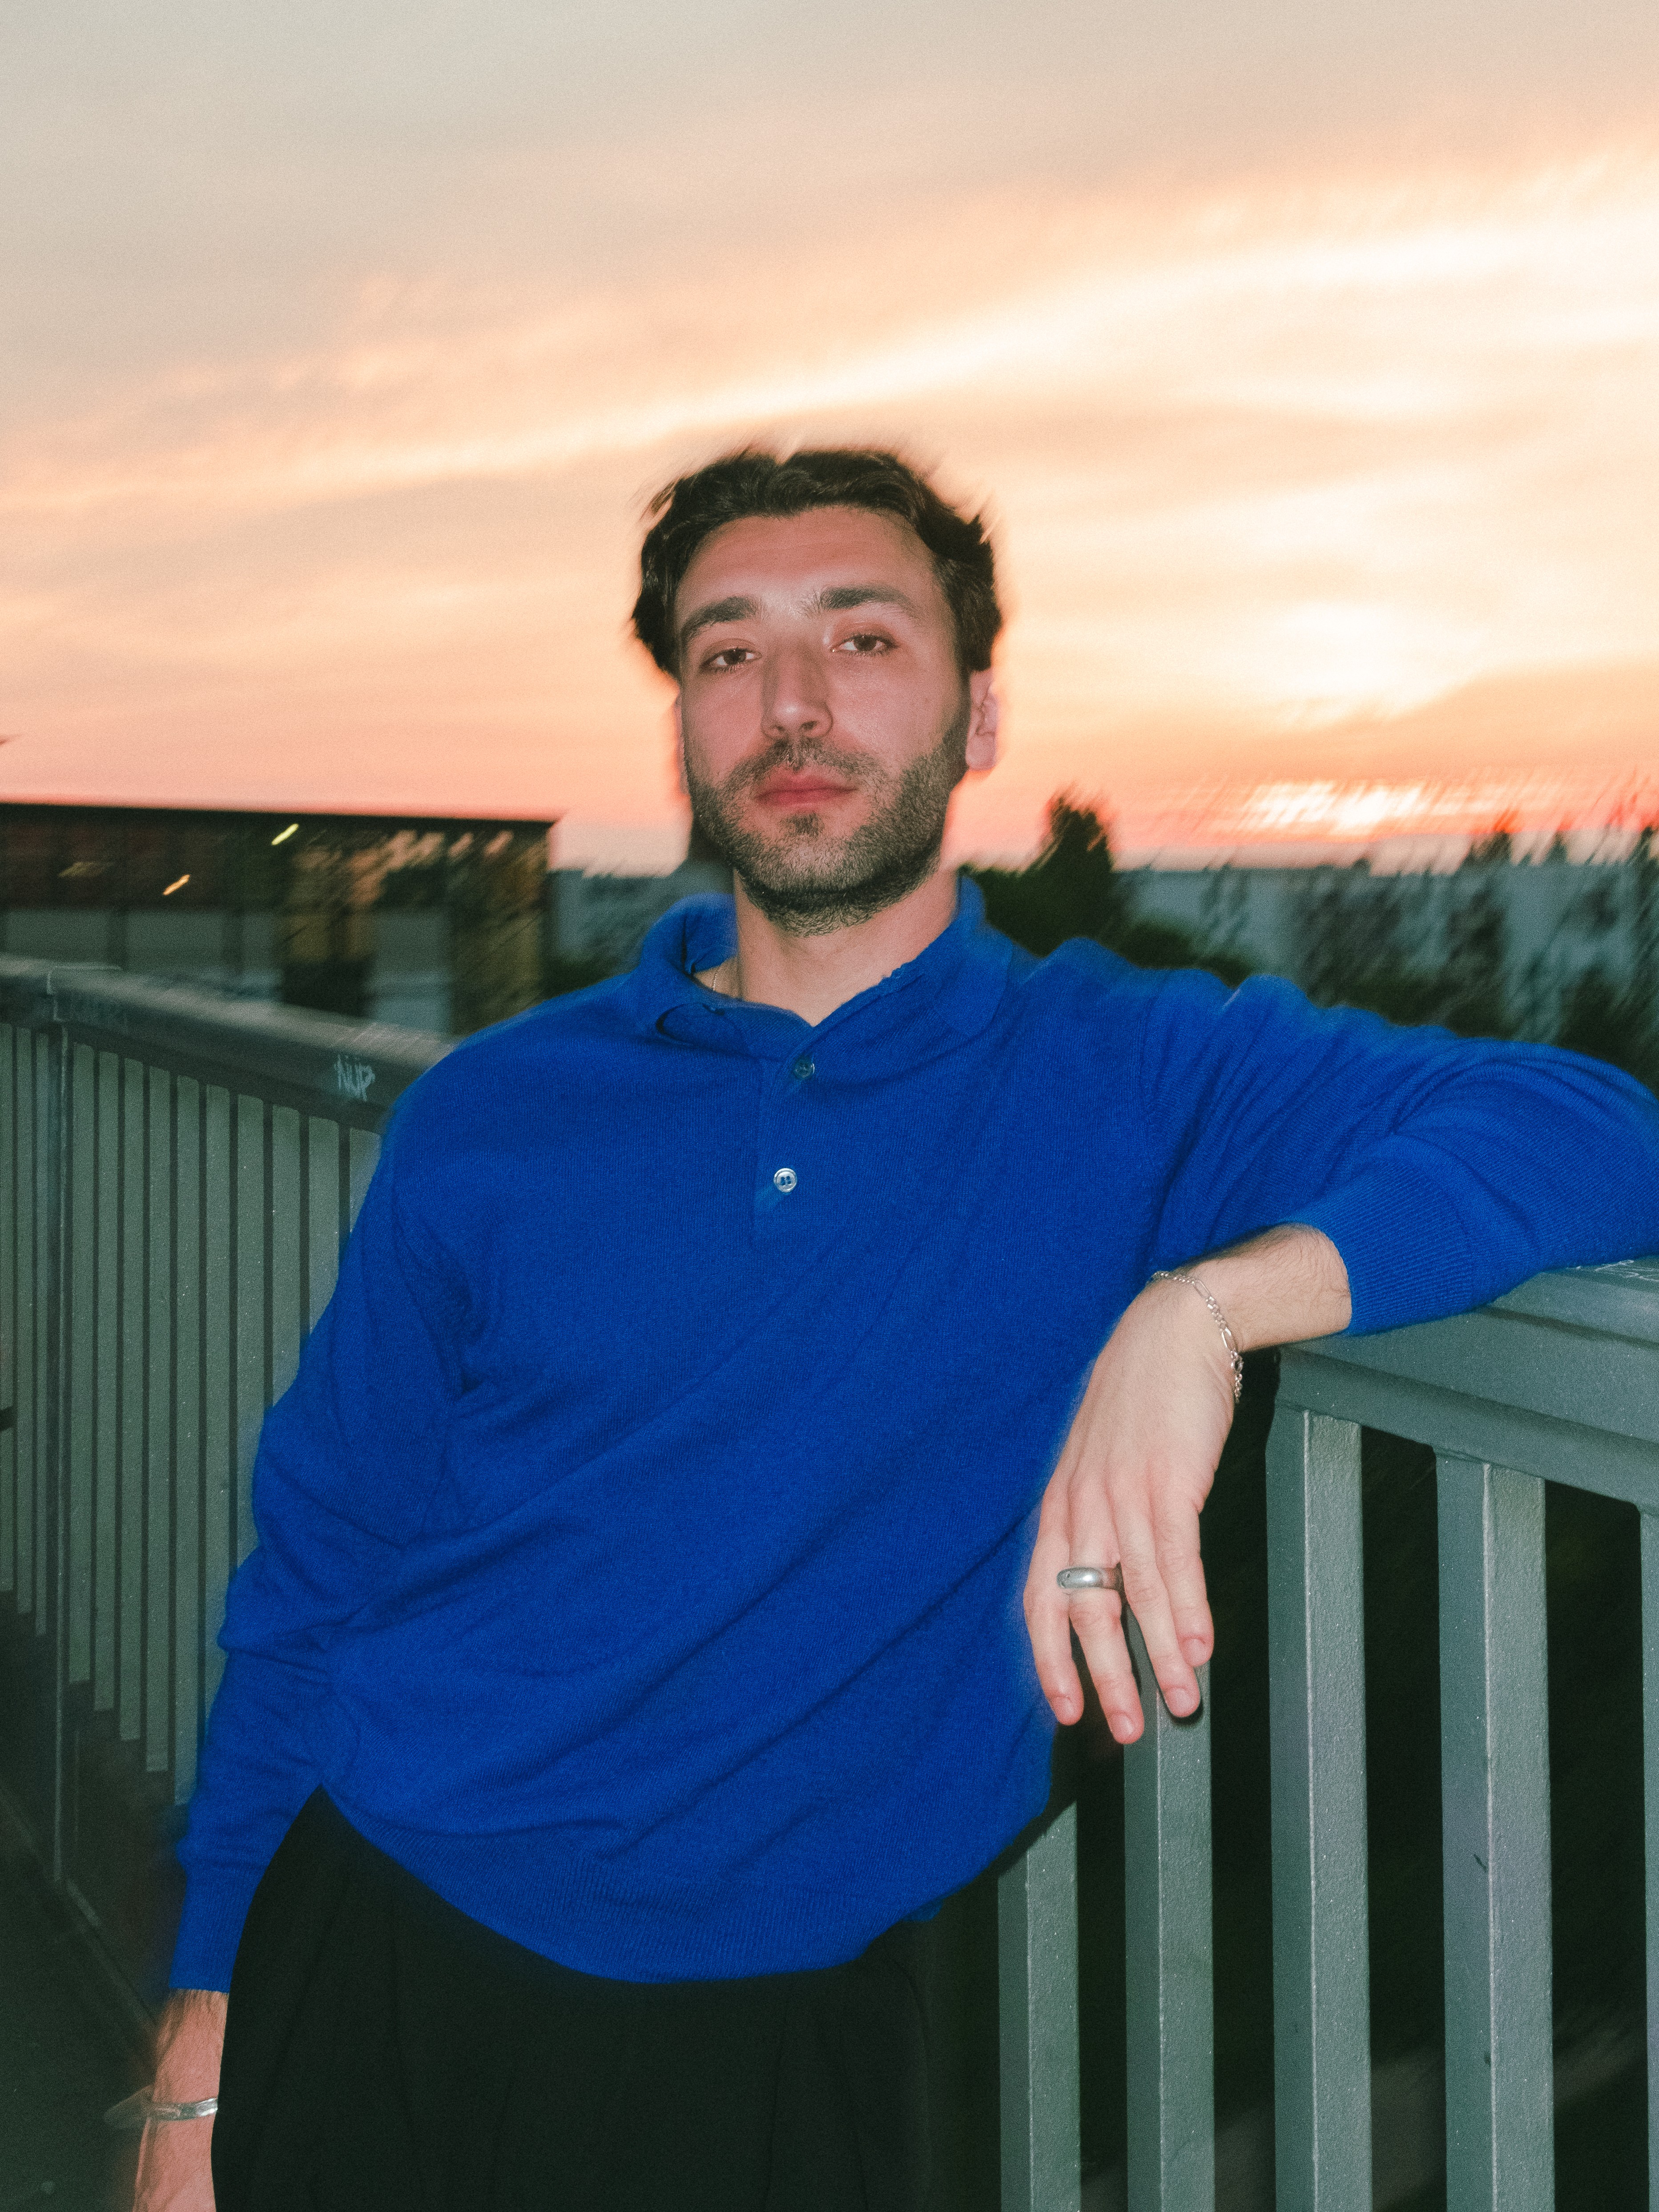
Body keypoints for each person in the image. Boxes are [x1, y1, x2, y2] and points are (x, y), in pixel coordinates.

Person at [133, 447, 1659, 2212]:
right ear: (683, 724)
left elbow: (1598, 1127)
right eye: (726, 652)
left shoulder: (1129, 1070)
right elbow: (320, 1573)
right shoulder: (495, 1110)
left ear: (977, 710)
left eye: (864, 638)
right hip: (385, 1944)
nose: (792, 701)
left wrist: (1209, 1305)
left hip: (774, 2039)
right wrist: (200, 2044)